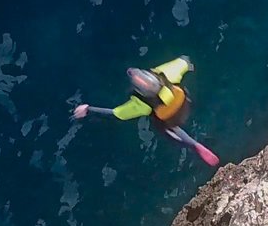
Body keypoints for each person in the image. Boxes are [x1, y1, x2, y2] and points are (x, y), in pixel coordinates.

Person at [72, 57, 220, 167]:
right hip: (184, 104)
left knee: (169, 129)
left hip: (169, 119)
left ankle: (193, 144)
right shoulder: (168, 73)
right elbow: (186, 62)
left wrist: (88, 109)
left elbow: (116, 114)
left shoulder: (141, 104)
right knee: (180, 96)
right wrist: (189, 65)